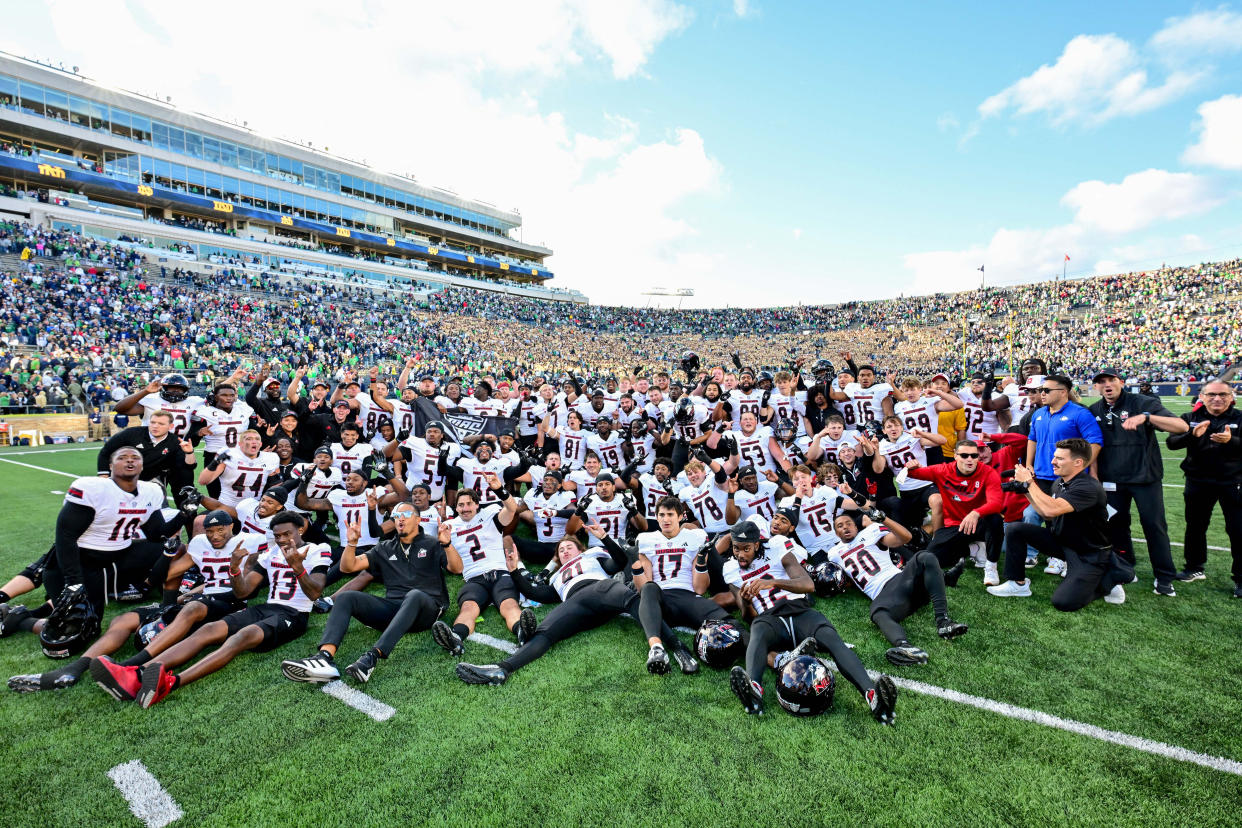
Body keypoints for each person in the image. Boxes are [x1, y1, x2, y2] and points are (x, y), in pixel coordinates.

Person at [89, 511, 329, 707]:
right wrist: (234, 569)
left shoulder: (319, 550)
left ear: (301, 530)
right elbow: (244, 592)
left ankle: (172, 683)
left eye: (287, 533)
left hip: (294, 615)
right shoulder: (271, 554)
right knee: (208, 630)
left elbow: (315, 592)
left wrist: (297, 567)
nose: (282, 539)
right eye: (277, 535)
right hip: (267, 607)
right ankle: (136, 673)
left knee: (242, 636)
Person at [717, 520, 897, 723]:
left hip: (799, 610)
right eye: (736, 548)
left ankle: (872, 695)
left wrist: (773, 582)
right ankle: (753, 691)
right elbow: (747, 616)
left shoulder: (776, 546)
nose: (740, 554)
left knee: (831, 638)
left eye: (746, 548)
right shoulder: (730, 568)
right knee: (757, 629)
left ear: (757, 544)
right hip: (770, 620)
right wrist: (748, 602)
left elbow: (808, 584)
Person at [281, 505, 462, 684]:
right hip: (395, 610)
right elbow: (348, 567)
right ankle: (324, 657)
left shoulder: (432, 543)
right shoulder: (385, 547)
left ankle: (372, 657)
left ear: (418, 519)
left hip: (426, 609)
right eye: (396, 514)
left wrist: (446, 544)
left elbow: (456, 568)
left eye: (406, 514)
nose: (401, 518)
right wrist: (352, 543)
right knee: (346, 597)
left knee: (414, 595)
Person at [989, 439, 1134, 610]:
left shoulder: (1088, 487)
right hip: (1063, 543)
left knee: (1064, 602)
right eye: (1054, 457)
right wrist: (1025, 491)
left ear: (1078, 462)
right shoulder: (1060, 482)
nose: (1053, 462)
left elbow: (1051, 510)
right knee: (1015, 529)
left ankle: (1110, 577)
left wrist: (1029, 482)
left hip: (1088, 553)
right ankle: (1017, 584)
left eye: (1059, 458)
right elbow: (1046, 514)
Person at [1087, 368, 1188, 596]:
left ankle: (1164, 576)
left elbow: (1182, 427)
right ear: (1096, 387)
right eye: (1101, 382)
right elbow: (1093, 444)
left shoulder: (1142, 402)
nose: (1107, 385)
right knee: (1116, 526)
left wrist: (1148, 417)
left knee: (1154, 526)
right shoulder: (1094, 410)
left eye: (1111, 380)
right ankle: (1125, 566)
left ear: (1121, 382)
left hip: (1144, 478)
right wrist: (1093, 474)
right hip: (1111, 480)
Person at [827, 510, 966, 665]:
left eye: (849, 523)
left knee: (924, 556)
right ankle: (905, 648)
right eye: (840, 526)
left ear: (856, 526)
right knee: (877, 612)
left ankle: (943, 622)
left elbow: (905, 537)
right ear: (836, 532)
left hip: (900, 580)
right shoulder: (833, 554)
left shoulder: (871, 532)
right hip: (887, 597)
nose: (845, 527)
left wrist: (884, 519)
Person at [430, 476, 536, 656]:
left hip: (500, 572)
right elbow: (456, 569)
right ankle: (455, 638)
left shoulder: (489, 515)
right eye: (461, 505)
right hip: (474, 577)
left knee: (509, 605)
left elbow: (512, 509)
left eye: (469, 503)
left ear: (477, 505)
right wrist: (446, 544)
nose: (465, 508)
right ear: (456, 508)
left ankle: (522, 631)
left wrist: (499, 489)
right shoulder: (449, 527)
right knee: (468, 608)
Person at [633, 496, 729, 674]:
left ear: (680, 516)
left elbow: (700, 589)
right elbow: (643, 588)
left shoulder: (695, 537)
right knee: (649, 587)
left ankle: (774, 657)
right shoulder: (646, 539)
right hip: (660, 599)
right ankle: (656, 649)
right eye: (661, 515)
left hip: (688, 596)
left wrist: (701, 560)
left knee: (729, 625)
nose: (665, 519)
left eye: (670, 514)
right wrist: (635, 566)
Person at [1165, 380, 1242, 597]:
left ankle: (1240, 579)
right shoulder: (1189, 418)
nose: (1217, 398)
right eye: (1212, 394)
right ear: (1203, 395)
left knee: (1237, 530)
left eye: (1222, 394)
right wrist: (1192, 435)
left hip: (1233, 481)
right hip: (1198, 481)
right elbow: (1172, 442)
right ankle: (1194, 568)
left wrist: (1232, 441)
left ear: (1231, 396)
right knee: (1195, 526)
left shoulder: (1240, 417)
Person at [1021, 375, 1103, 574]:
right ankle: (1031, 554)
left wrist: (1080, 467)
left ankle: (1059, 557)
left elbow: (1095, 442)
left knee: (1062, 520)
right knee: (1030, 514)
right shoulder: (1039, 413)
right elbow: (1032, 439)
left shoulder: (1080, 414)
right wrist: (1029, 463)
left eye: (1047, 390)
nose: (1042, 393)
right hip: (1041, 475)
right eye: (1042, 390)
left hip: (1067, 479)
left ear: (1063, 392)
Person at [906, 439, 1005, 584]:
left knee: (995, 519)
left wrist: (975, 513)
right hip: (955, 525)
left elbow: (996, 504)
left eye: (974, 456)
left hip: (979, 523)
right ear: (955, 455)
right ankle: (973, 550)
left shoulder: (988, 472)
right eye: (964, 455)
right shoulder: (943, 470)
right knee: (931, 558)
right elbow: (912, 474)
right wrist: (910, 467)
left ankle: (991, 567)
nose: (970, 459)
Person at [94, 410, 197, 497]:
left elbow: (189, 466)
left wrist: (189, 452)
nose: (155, 426)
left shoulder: (175, 442)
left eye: (161, 424)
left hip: (153, 480)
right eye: (153, 422)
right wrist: (104, 477)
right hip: (125, 476)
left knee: (155, 508)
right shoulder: (131, 434)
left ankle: (186, 511)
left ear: (170, 426)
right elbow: (106, 451)